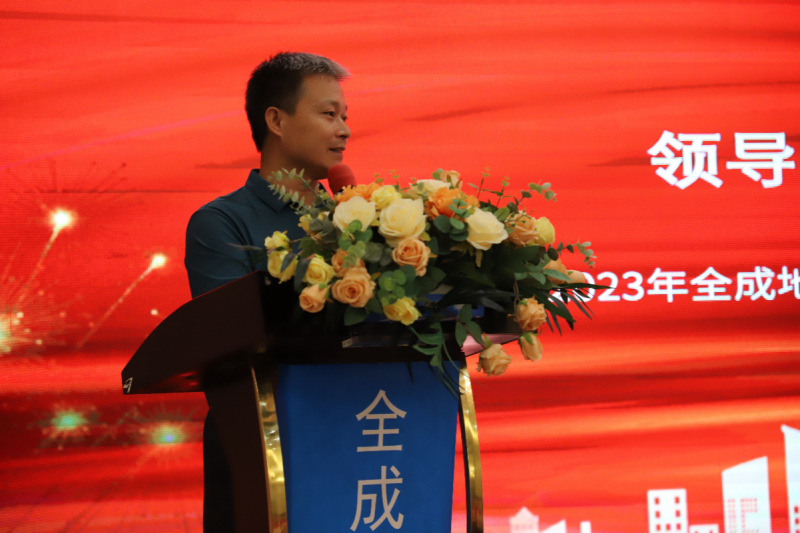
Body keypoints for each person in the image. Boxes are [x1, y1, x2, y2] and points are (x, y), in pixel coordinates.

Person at [184, 52, 350, 532]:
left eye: (345, 117)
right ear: (276, 120)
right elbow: (229, 344)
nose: (344, 131)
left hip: (363, 432)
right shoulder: (221, 224)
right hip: (266, 448)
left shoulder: (360, 219)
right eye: (329, 114)